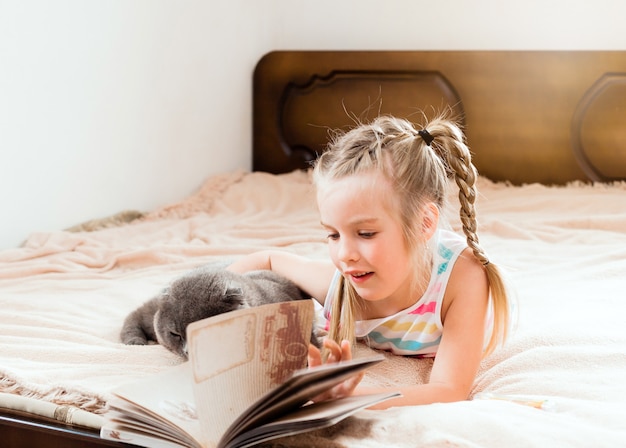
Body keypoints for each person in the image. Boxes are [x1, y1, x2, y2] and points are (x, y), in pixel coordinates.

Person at [228, 113, 512, 408]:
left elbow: (448, 390)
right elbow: (270, 260)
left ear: (423, 224)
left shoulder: (463, 278)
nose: (344, 254)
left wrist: (350, 397)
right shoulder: (343, 284)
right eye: (333, 235)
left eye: (365, 233)